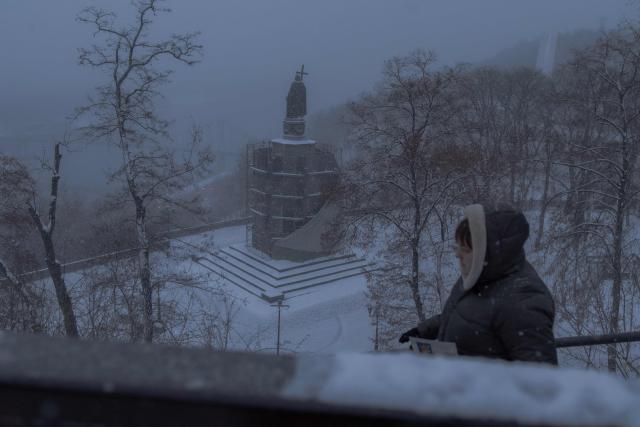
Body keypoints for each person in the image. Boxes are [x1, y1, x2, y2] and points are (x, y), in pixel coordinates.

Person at [399, 203, 558, 365]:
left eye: (466, 249)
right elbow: (465, 313)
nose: (457, 255)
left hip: (476, 389)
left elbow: (540, 382)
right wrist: (425, 330)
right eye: (458, 246)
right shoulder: (482, 273)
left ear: (489, 251)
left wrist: (478, 384)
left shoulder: (523, 302)